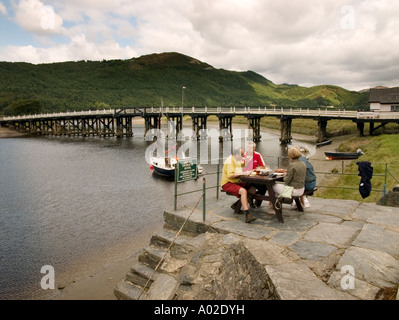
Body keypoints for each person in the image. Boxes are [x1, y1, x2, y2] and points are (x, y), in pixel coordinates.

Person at [221, 147, 257, 223]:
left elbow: (241, 164)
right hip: (228, 182)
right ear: (236, 154)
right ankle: (247, 214)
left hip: (236, 181)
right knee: (243, 191)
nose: (243, 156)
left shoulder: (237, 159)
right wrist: (243, 173)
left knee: (252, 190)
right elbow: (230, 175)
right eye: (242, 155)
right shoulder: (230, 161)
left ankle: (236, 205)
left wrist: (247, 160)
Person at [243, 141, 267, 207]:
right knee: (249, 186)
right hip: (245, 178)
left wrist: (256, 169)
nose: (249, 149)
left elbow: (263, 167)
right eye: (248, 147)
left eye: (251, 147)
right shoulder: (243, 156)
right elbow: (240, 168)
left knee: (264, 187)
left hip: (255, 178)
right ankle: (250, 200)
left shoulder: (257, 155)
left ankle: (257, 202)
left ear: (254, 148)